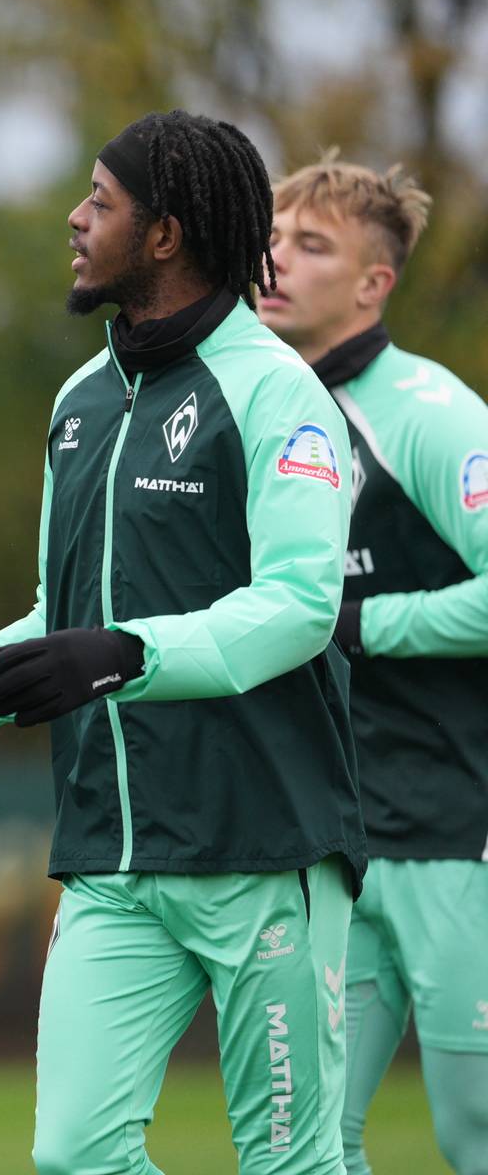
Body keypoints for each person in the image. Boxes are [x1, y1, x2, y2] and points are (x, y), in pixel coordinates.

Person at [0, 111, 365, 1174]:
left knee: (295, 1163)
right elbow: (58, 624)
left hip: (265, 849)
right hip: (111, 860)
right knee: (75, 1154)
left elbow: (300, 604)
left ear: (168, 231)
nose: (76, 218)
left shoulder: (279, 393)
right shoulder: (81, 401)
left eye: (101, 200)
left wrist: (127, 651)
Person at [261, 153, 488, 1175]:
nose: (278, 261)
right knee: (307, 1141)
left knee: (472, 1129)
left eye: (312, 246)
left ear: (373, 284)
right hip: (335, 842)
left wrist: (352, 623)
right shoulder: (256, 414)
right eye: (272, 239)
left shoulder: (432, 414)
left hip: (459, 833)